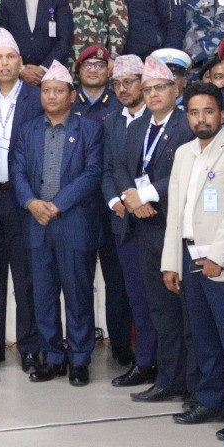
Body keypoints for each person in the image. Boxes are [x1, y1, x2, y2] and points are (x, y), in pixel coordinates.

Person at [164, 81, 224, 441]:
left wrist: (218, 256)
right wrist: (171, 262)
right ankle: (210, 400)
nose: (201, 119)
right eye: (193, 112)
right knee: (203, 338)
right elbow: (176, 213)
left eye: (208, 111)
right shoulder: (184, 153)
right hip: (190, 258)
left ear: (221, 114)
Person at [13, 61, 105, 386]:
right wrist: (31, 203)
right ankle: (52, 357)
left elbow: (92, 173)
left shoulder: (89, 129)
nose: (51, 96)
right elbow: (18, 172)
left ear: (72, 95)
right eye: (46, 91)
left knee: (78, 294)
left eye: (58, 91)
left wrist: (57, 205)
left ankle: (79, 360)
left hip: (73, 222)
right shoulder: (28, 130)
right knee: (44, 296)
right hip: (37, 224)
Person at [113, 58, 194, 403]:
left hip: (175, 228)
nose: (153, 94)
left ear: (175, 88)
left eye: (160, 87)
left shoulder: (186, 125)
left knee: (185, 310)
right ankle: (168, 378)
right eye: (147, 89)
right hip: (144, 229)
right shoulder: (137, 127)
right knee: (159, 308)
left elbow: (185, 172)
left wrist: (145, 195)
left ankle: (193, 383)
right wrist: (130, 198)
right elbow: (120, 167)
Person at [0, 29, 44, 369]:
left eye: (10, 57)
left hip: (23, 199)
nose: (4, 63)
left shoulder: (37, 97)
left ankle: (29, 346)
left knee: (26, 277)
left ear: (20, 62)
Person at [69, 44, 134, 367]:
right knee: (76, 280)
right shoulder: (68, 103)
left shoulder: (120, 104)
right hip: (76, 208)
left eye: (99, 64)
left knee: (117, 280)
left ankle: (121, 344)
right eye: (87, 65)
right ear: (78, 70)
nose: (93, 69)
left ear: (109, 70)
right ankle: (78, 344)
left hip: (112, 207)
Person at [100, 55, 158, 388]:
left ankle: (165, 364)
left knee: (160, 299)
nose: (123, 89)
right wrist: (117, 201)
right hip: (124, 220)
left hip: (156, 219)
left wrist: (141, 199)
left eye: (129, 82)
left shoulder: (160, 117)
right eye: (117, 83)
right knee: (136, 296)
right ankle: (145, 361)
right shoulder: (111, 121)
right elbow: (109, 168)